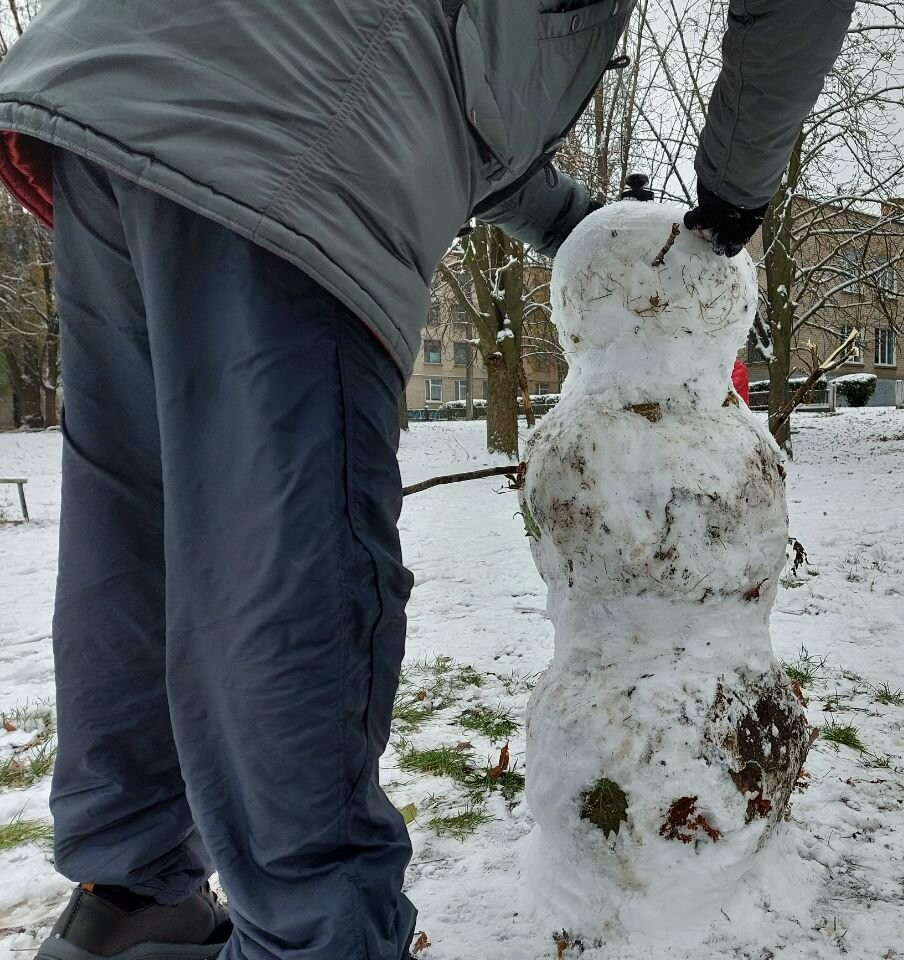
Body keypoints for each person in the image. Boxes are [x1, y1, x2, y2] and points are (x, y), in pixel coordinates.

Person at [0, 3, 856, 960]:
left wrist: (596, 236)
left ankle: (132, 894)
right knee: (290, 563)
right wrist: (731, 196)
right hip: (297, 131)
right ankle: (320, 935)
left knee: (138, 527)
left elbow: (470, 114)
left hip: (113, 78)